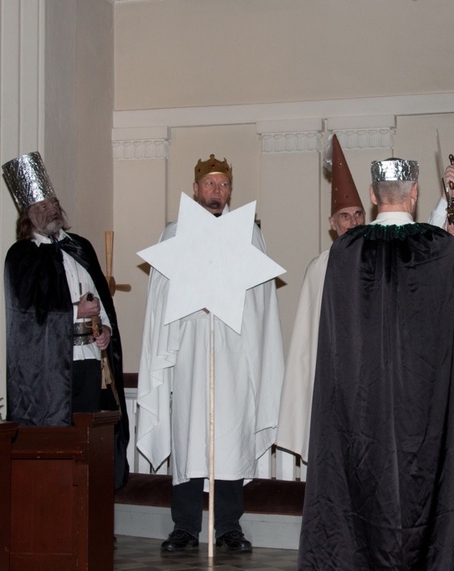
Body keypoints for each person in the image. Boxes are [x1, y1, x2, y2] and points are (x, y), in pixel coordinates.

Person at [298, 158, 454, 570]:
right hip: (427, 411)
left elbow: (336, 341)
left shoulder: (345, 252)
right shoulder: (441, 249)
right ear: (415, 193)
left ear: (373, 195)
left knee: (363, 489)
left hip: (363, 411)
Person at [137, 154, 284, 552]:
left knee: (230, 433)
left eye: (223, 184)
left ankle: (228, 526)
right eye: (210, 184)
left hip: (233, 349)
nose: (217, 191)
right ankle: (185, 526)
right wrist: (191, 302)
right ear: (196, 189)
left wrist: (228, 300)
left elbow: (261, 299)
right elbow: (161, 294)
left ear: (230, 190)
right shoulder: (175, 233)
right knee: (190, 433)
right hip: (190, 348)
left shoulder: (248, 234)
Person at [2, 151, 130, 490]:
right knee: (60, 443)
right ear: (27, 215)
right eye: (42, 205)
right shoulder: (21, 256)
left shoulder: (80, 248)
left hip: (90, 361)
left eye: (54, 202)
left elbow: (101, 301)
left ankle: (92, 506)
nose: (52, 209)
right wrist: (75, 311)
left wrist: (105, 330)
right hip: (50, 371)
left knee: (91, 440)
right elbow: (26, 315)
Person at [275, 134, 364, 462]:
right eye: (345, 216)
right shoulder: (319, 269)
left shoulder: (378, 262)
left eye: (358, 215)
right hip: (332, 379)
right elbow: (306, 339)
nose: (353, 222)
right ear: (332, 223)